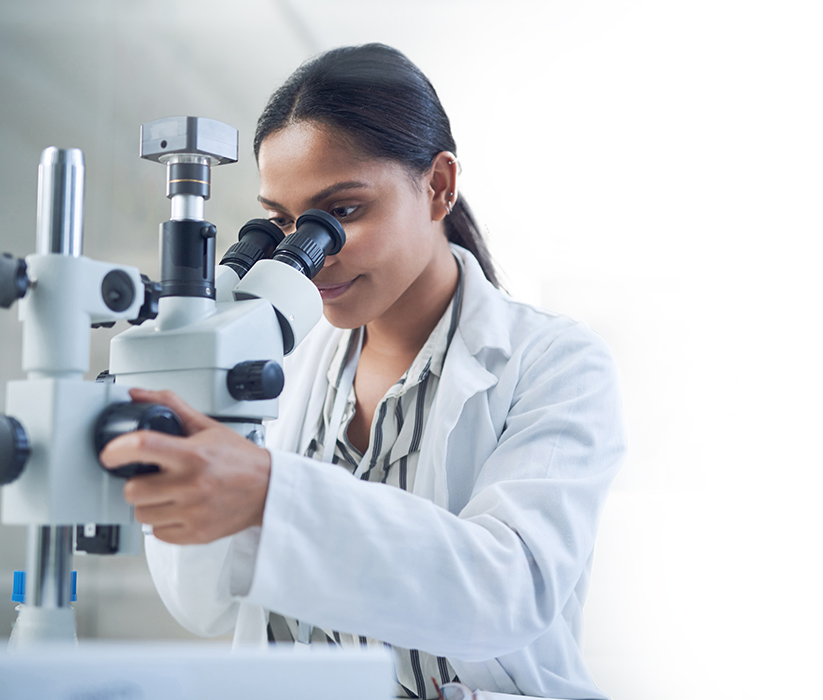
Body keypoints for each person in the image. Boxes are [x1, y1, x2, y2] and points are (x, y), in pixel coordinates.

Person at [100, 43, 626, 699]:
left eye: (341, 213)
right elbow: (207, 605)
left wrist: (270, 492)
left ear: (438, 186)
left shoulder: (556, 364)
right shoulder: (279, 364)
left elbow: (507, 590)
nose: (312, 256)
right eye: (283, 225)